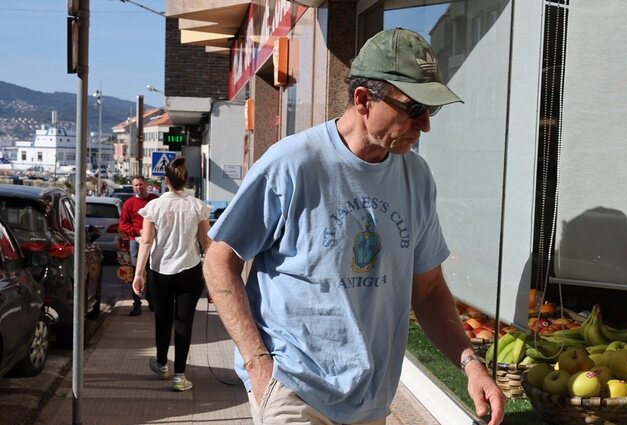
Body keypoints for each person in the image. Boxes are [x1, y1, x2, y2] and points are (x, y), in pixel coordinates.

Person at [203, 27, 504, 424]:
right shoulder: (294, 163)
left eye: (433, 110)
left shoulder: (416, 176)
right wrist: (258, 363)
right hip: (296, 390)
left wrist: (469, 362)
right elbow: (219, 260)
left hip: (371, 399)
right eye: (414, 109)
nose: (426, 125)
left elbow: (428, 288)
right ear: (363, 99)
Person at [132, 157, 211, 392]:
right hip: (190, 270)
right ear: (185, 180)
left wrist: (139, 274)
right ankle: (180, 376)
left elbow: (146, 241)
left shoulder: (154, 206)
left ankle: (161, 363)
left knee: (163, 320)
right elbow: (205, 242)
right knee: (184, 322)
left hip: (160, 271)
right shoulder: (197, 206)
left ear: (165, 180)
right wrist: (214, 277)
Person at [119, 175, 159, 316]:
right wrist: (138, 231)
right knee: (137, 271)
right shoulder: (129, 203)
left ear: (146, 184)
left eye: (141, 184)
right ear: (132, 186)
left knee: (153, 272)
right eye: (135, 185)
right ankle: (137, 304)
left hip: (154, 241)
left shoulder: (154, 200)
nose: (138, 187)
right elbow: (123, 224)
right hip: (136, 241)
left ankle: (152, 301)